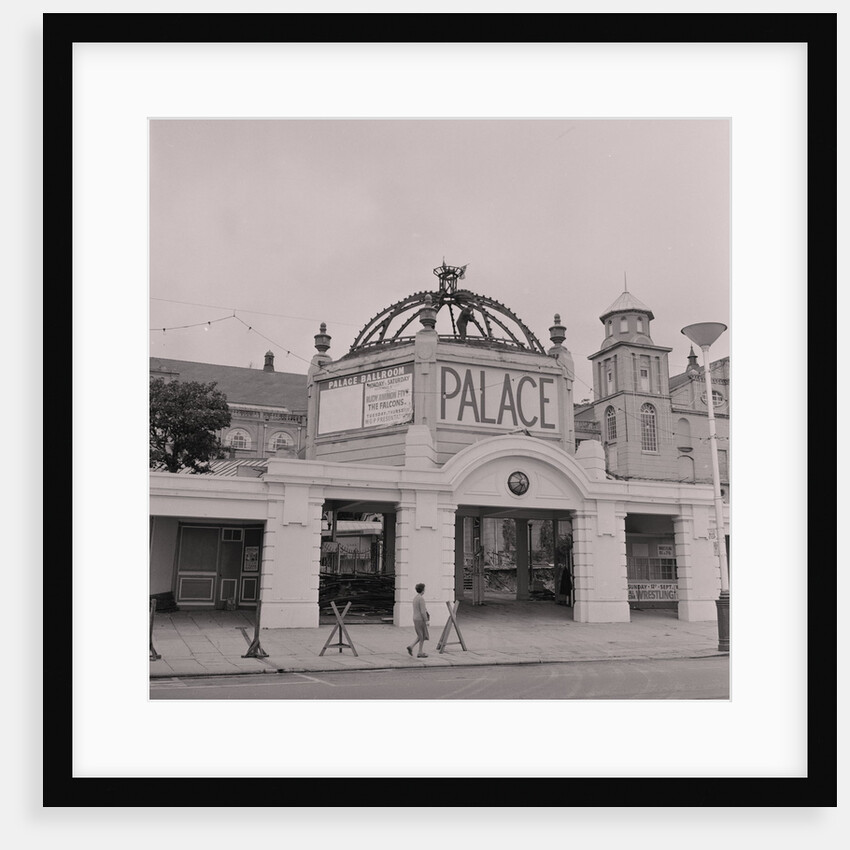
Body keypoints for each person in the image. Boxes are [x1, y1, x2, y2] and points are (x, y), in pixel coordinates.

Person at [406, 582, 430, 658]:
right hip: (420, 619)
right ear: (422, 590)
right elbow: (423, 611)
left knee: (420, 635)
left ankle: (411, 646)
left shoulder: (415, 598)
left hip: (415, 618)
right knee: (422, 636)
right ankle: (420, 652)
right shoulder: (421, 599)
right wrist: (426, 620)